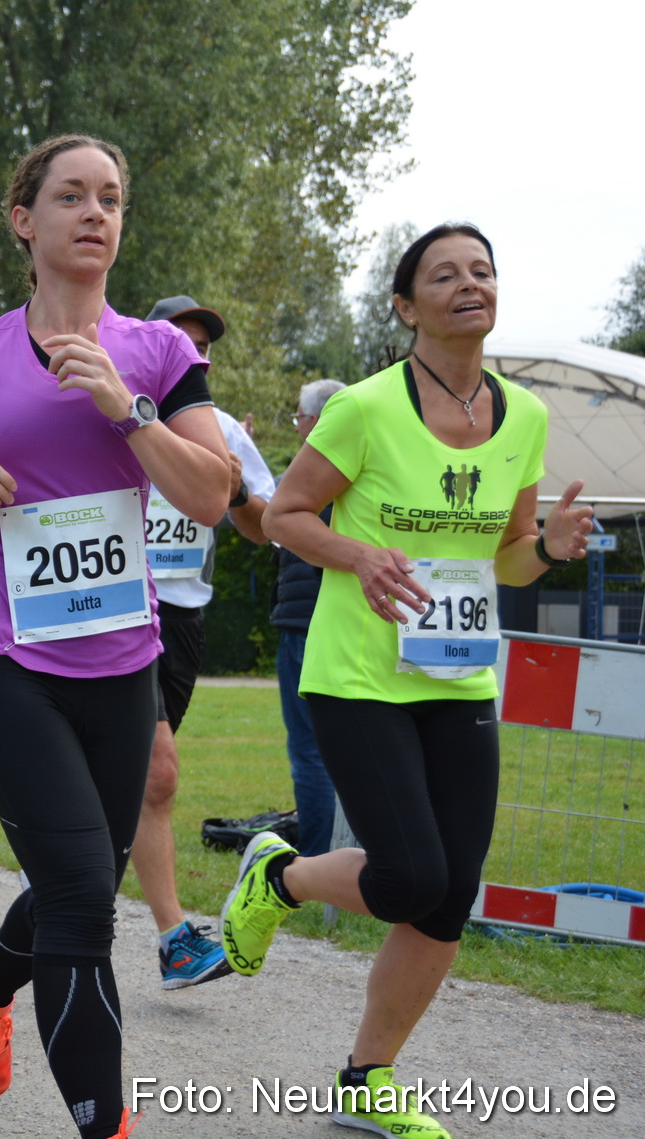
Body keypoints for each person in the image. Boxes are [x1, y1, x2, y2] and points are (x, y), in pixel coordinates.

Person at [0, 134, 229, 1139]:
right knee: (82, 903)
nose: (94, 213)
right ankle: (104, 1126)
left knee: (78, 885)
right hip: (5, 661)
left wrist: (128, 413)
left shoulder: (162, 355)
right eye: (70, 196)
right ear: (24, 221)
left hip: (124, 665)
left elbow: (209, 498)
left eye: (110, 198)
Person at [226, 223, 593, 1138]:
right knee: (409, 875)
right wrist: (358, 555)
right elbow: (283, 516)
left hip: (458, 678)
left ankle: (367, 1079)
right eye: (444, 273)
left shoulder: (527, 416)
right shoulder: (363, 407)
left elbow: (504, 559)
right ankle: (282, 877)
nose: (470, 283)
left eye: (483, 269)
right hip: (357, 674)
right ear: (406, 305)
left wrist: (545, 547)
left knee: (450, 893)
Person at [126, 295, 275, 991]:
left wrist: (239, 492)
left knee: (131, 778)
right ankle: (172, 937)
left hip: (184, 619)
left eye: (202, 344)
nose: (195, 353)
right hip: (121, 609)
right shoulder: (111, 407)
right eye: (179, 340)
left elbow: (263, 526)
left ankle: (57, 882)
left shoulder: (221, 431)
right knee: (158, 772)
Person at [269, 379, 346, 857]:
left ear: (316, 421)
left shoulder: (313, 472)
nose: (298, 426)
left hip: (306, 624)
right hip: (338, 621)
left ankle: (317, 858)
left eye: (299, 416)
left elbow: (273, 527)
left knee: (311, 752)